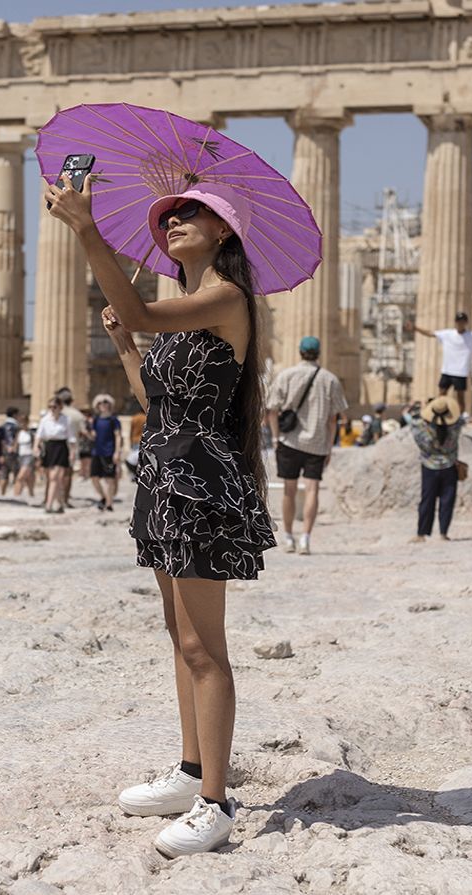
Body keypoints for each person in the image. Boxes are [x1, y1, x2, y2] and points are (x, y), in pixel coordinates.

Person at [50, 174, 276, 858]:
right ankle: (188, 772)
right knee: (180, 636)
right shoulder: (185, 305)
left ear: (223, 231)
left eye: (190, 213)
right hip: (163, 474)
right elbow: (155, 389)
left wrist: (88, 230)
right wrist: (121, 340)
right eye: (168, 216)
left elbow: (151, 319)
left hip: (202, 482)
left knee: (207, 647)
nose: (173, 220)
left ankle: (215, 801)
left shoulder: (227, 297)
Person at [264, 335, 348, 556]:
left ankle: (289, 537)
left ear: (300, 352)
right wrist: (329, 446)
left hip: (289, 441)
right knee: (312, 490)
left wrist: (275, 437)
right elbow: (334, 418)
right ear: (319, 353)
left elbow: (272, 410)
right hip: (317, 443)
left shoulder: (286, 375)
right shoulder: (330, 379)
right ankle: (306, 539)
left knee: (289, 491)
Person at [412, 311, 472, 415]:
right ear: (455, 322)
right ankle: (440, 412)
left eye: (463, 321)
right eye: (459, 321)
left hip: (460, 371)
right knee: (442, 393)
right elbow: (430, 333)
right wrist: (415, 328)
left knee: (460, 396)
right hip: (447, 370)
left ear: (466, 323)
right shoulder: (448, 334)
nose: (461, 324)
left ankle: (460, 415)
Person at [406, 396, 465, 542]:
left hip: (429, 466)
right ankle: (443, 533)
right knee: (447, 500)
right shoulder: (455, 427)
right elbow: (459, 418)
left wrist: (420, 409)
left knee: (427, 500)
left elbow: (413, 421)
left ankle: (422, 533)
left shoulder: (422, 429)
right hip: (449, 466)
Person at [35, 396, 74, 514]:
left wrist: (72, 453)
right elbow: (39, 435)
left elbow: (71, 437)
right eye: (50, 407)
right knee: (54, 478)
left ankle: (49, 504)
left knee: (54, 477)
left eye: (54, 407)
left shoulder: (66, 420)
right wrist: (36, 447)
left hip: (61, 448)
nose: (52, 409)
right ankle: (60, 503)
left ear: (60, 407)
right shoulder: (45, 419)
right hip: (49, 448)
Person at [88, 394, 123, 511]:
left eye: (105, 402)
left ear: (110, 405)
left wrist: (117, 452)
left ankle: (109, 503)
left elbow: (118, 436)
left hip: (109, 452)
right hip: (96, 451)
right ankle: (103, 497)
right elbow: (93, 436)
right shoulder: (96, 420)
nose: (103, 405)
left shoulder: (114, 420)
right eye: (100, 403)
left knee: (109, 479)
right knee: (94, 477)